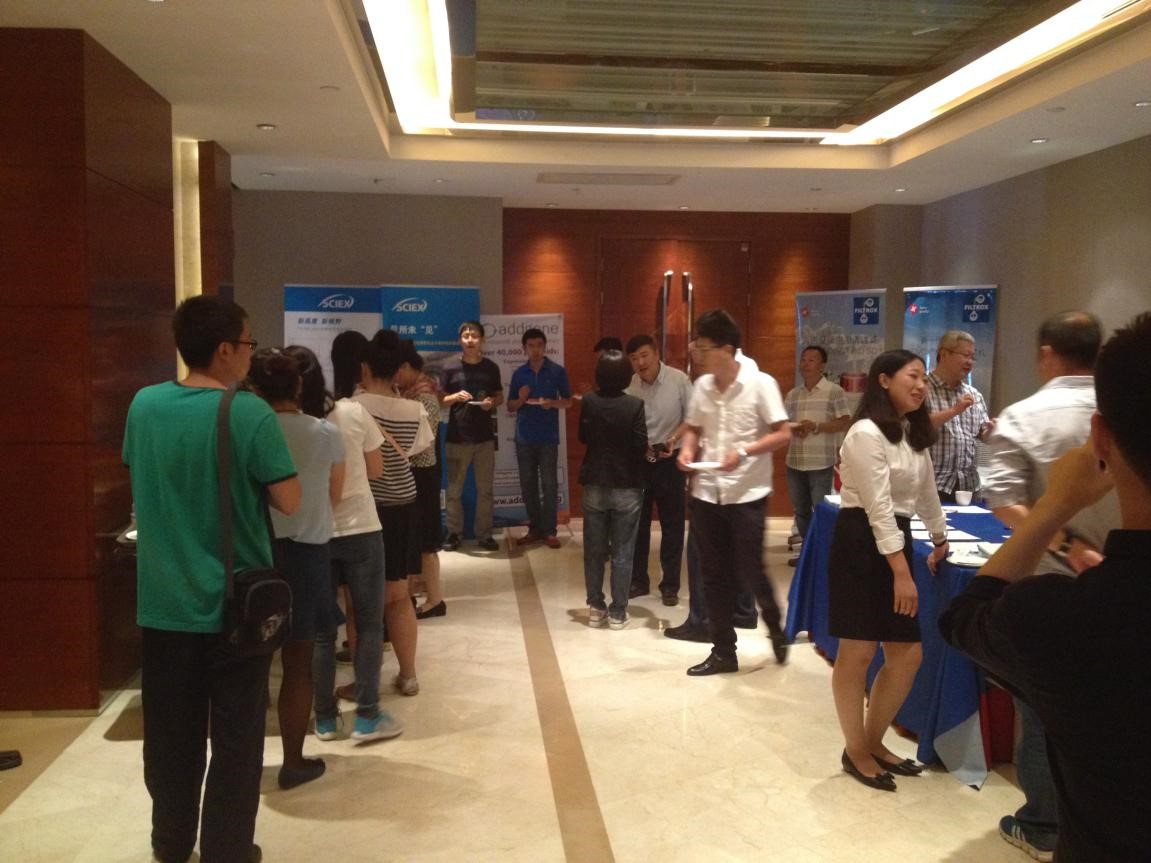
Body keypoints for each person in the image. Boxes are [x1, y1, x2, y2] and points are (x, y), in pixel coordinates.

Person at [940, 312, 1151, 863]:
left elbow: (963, 617)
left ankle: (1039, 824)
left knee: (1045, 722)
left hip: (1071, 598)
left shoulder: (1051, 617)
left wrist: (1057, 514)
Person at [123, 295, 300, 863]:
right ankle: (227, 848)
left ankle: (170, 843)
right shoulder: (248, 413)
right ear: (224, 349)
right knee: (236, 737)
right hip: (232, 607)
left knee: (170, 736)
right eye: (247, 343)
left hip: (162, 604)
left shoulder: (144, 405)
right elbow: (290, 501)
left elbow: (145, 474)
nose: (250, 354)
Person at [976, 311, 1116, 860]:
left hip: (1055, 585)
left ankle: (1043, 826)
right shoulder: (1125, 408)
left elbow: (1006, 502)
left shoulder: (1023, 417)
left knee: (1043, 710)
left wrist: (1068, 545)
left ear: (1046, 354)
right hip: (1129, 575)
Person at [829, 349, 949, 792]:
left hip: (895, 539)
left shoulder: (910, 432)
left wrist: (939, 536)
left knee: (906, 655)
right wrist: (901, 572)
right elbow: (877, 508)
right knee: (858, 653)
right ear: (883, 379)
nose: (920, 385)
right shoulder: (865, 432)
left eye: (923, 379)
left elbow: (925, 491)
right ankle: (855, 750)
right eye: (912, 376)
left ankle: (873, 741)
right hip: (861, 543)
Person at [247, 347, 345, 791]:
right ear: (300, 386)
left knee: (252, 662)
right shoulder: (325, 433)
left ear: (255, 390)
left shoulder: (250, 430)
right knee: (298, 662)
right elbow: (334, 495)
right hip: (309, 555)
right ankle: (293, 761)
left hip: (257, 554)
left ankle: (245, 763)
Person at [676, 310, 791, 676]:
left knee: (750, 569)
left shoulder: (761, 383)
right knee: (712, 574)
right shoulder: (702, 387)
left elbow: (783, 432)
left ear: (726, 349)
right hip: (707, 492)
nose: (698, 354)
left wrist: (743, 451)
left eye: (703, 347)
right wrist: (688, 450)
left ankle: (774, 623)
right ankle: (723, 652)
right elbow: (694, 427)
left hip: (747, 493)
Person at [314, 333, 401, 744]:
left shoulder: (307, 413)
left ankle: (325, 719)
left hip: (316, 532)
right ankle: (367, 716)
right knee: (368, 625)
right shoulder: (354, 412)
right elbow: (377, 470)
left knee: (321, 632)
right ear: (362, 367)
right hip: (362, 529)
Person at [354, 331, 434, 697]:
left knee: (361, 602)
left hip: (366, 509)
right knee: (400, 597)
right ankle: (409, 675)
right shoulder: (414, 409)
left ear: (365, 368)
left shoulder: (353, 407)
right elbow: (419, 452)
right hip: (404, 506)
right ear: (398, 369)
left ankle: (364, 681)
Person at [578, 350, 648, 627]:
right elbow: (640, 445)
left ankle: (596, 607)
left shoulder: (589, 401)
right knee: (623, 551)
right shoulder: (635, 405)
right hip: (627, 483)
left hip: (595, 480)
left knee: (594, 550)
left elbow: (583, 437)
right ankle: (618, 611)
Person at [624, 334, 693, 605]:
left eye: (644, 356)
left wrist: (673, 439)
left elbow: (693, 417)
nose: (640, 363)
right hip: (640, 461)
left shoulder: (678, 380)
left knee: (672, 524)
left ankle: (670, 585)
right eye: (634, 359)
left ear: (656, 354)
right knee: (638, 525)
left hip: (670, 461)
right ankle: (639, 581)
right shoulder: (631, 385)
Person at [440, 321, 504, 551]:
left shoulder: (491, 367)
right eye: (465, 336)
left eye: (474, 335)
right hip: (457, 437)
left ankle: (484, 535)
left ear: (482, 340)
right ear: (460, 340)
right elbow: (440, 399)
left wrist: (491, 402)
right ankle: (453, 534)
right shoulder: (449, 367)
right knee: (454, 491)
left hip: (484, 439)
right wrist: (455, 397)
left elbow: (500, 397)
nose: (470, 340)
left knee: (485, 490)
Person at [784, 345, 851, 566]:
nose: (805, 364)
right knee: (801, 511)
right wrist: (795, 428)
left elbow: (844, 422)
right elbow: (784, 424)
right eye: (803, 359)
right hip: (795, 461)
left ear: (822, 366)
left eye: (811, 360)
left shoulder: (834, 391)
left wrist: (816, 426)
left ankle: (823, 556)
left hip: (820, 462)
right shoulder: (793, 394)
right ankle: (807, 554)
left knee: (820, 510)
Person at [507, 327, 572, 548]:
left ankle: (550, 531)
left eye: (539, 345)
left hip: (548, 438)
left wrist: (551, 403)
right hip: (524, 438)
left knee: (549, 485)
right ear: (524, 348)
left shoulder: (557, 371)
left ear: (545, 347)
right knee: (528, 486)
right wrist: (521, 398)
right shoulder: (519, 373)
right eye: (531, 346)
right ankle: (535, 529)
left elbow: (568, 401)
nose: (535, 350)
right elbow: (510, 406)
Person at [397, 340, 447, 619]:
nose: (395, 377)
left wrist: (394, 447)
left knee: (427, 542)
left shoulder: (424, 396)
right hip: (417, 474)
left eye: (398, 371)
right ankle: (419, 593)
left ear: (407, 366)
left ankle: (435, 600)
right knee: (417, 541)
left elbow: (423, 443)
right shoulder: (411, 394)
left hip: (423, 475)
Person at [926, 330, 993, 501]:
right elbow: (917, 426)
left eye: (973, 357)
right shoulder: (922, 389)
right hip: (932, 486)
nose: (970, 362)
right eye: (965, 355)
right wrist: (954, 411)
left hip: (969, 487)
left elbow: (983, 434)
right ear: (944, 354)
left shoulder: (974, 394)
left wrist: (992, 431)